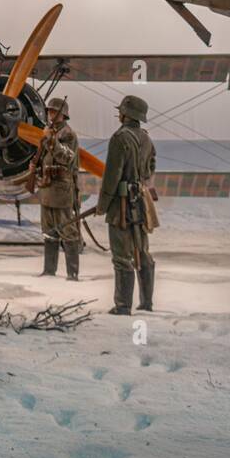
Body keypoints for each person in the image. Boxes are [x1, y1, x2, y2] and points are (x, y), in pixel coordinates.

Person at [97, 95, 158, 315]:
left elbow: (111, 176)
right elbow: (151, 166)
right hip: (141, 204)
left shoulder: (120, 138)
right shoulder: (146, 138)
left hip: (121, 207)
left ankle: (123, 306)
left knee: (122, 255)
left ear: (125, 114)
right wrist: (140, 182)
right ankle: (147, 302)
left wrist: (102, 205)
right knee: (142, 251)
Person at [28, 97, 81, 280]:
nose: (50, 113)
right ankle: (49, 270)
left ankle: (72, 273)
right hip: (47, 186)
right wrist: (34, 166)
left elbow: (67, 157)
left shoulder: (68, 134)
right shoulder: (48, 132)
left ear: (63, 114)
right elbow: (42, 157)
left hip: (62, 188)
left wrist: (51, 140)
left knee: (67, 229)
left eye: (53, 111)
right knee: (49, 230)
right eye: (49, 110)